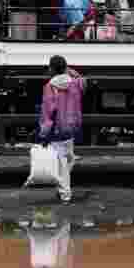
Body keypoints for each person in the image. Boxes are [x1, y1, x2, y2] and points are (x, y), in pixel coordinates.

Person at [36, 55, 85, 204]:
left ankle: (65, 194)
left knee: (62, 162)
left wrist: (43, 133)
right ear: (65, 68)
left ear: (51, 69)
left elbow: (47, 111)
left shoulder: (50, 87)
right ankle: (62, 189)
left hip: (57, 128)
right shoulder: (75, 84)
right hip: (71, 127)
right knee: (68, 159)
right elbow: (83, 82)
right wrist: (72, 71)